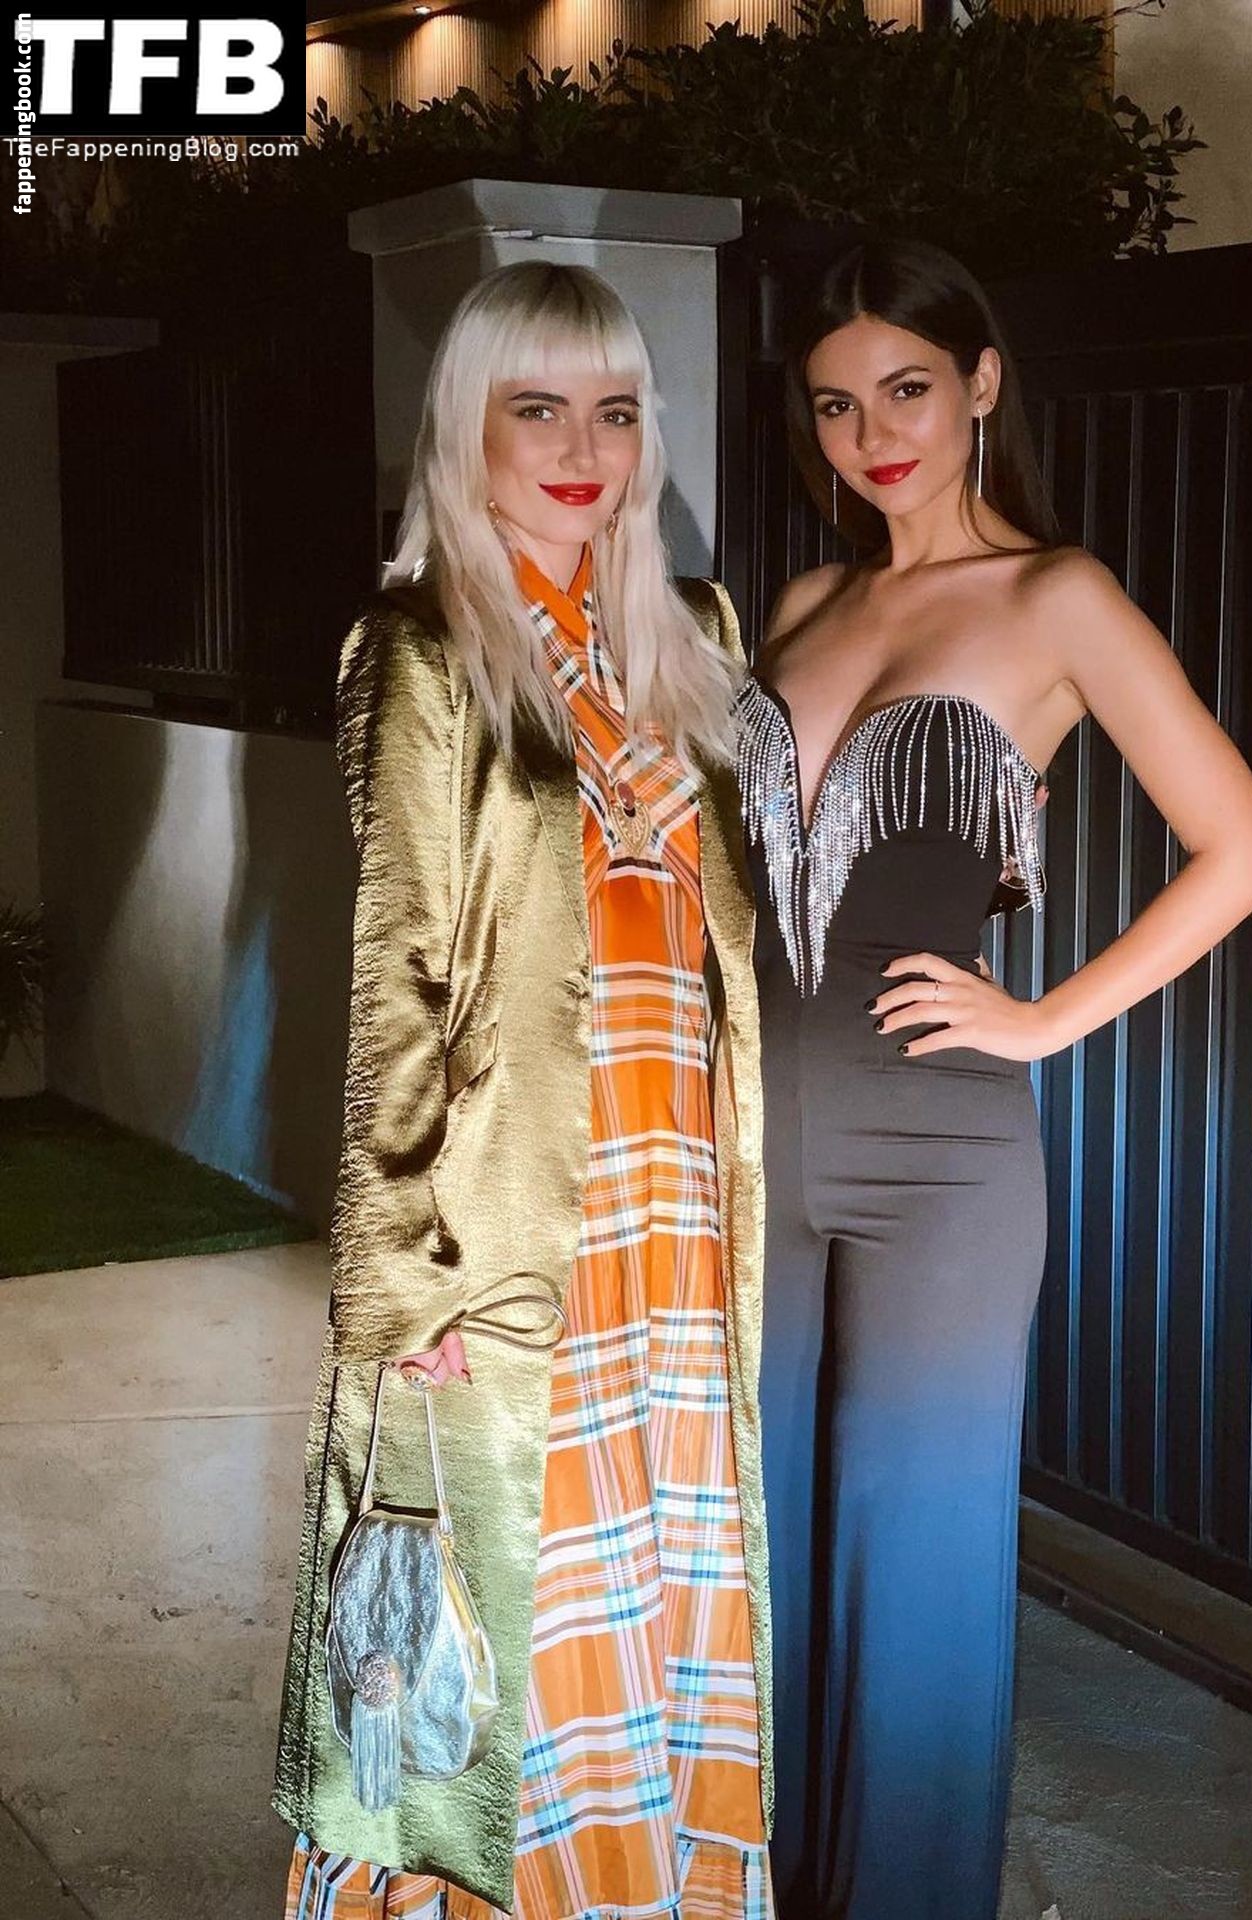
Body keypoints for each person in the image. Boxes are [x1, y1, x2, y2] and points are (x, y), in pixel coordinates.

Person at [739, 237, 1252, 1920]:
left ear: (980, 383)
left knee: (913, 1563)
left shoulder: (1057, 598)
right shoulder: (800, 607)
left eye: (906, 388)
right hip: (742, 1145)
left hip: (939, 1162)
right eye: (835, 404)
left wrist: (1044, 1019)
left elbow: (1244, 848)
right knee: (746, 1543)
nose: (872, 434)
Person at [272, 260, 776, 1920]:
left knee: (659, 1578)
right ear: (465, 430)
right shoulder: (419, 648)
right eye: (536, 410)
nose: (580, 450)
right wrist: (397, 1276)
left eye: (613, 412)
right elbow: (398, 971)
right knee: (498, 1612)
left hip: (676, 1207)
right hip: (501, 1225)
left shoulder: (690, 634)